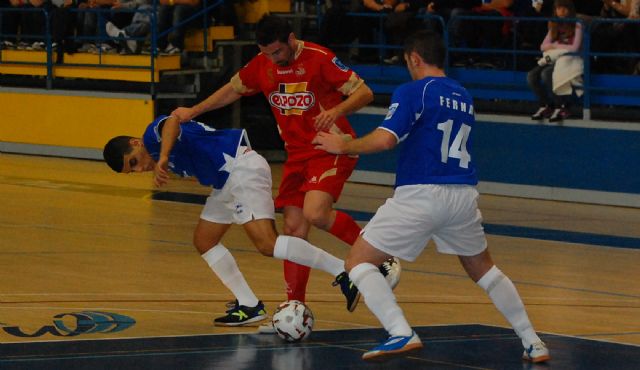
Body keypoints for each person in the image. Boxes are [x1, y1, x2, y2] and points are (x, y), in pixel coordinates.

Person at [312, 30, 550, 363]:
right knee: (484, 269)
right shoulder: (463, 94)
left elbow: (385, 140)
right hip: (463, 194)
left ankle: (400, 332)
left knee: (358, 262)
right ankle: (533, 341)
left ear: (414, 58)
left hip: (422, 192)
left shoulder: (414, 90)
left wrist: (345, 145)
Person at [171, 14, 400, 331]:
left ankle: (381, 258)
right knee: (294, 230)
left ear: (291, 40)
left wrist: (336, 110)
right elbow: (232, 90)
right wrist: (193, 111)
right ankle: (295, 305)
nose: (272, 59)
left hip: (329, 146)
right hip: (296, 155)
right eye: (265, 53)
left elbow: (365, 93)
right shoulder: (262, 64)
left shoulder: (318, 58)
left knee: (316, 213)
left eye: (277, 52)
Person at [103, 114, 363, 326]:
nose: (140, 169)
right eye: (133, 171)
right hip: (224, 182)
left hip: (241, 169)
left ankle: (343, 271)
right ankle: (249, 304)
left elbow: (172, 120)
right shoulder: (160, 153)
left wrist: (161, 156)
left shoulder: (153, 136)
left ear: (136, 143)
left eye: (134, 162)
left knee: (267, 244)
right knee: (204, 241)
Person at [527, 0, 582, 122]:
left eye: (564, 8)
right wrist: (559, 46)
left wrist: (556, 46)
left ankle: (561, 106)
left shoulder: (577, 25)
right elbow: (543, 46)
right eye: (558, 9)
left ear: (570, 10)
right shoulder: (554, 25)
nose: (561, 11)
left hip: (569, 60)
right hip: (554, 58)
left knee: (546, 74)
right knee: (531, 75)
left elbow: (574, 48)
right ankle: (545, 105)